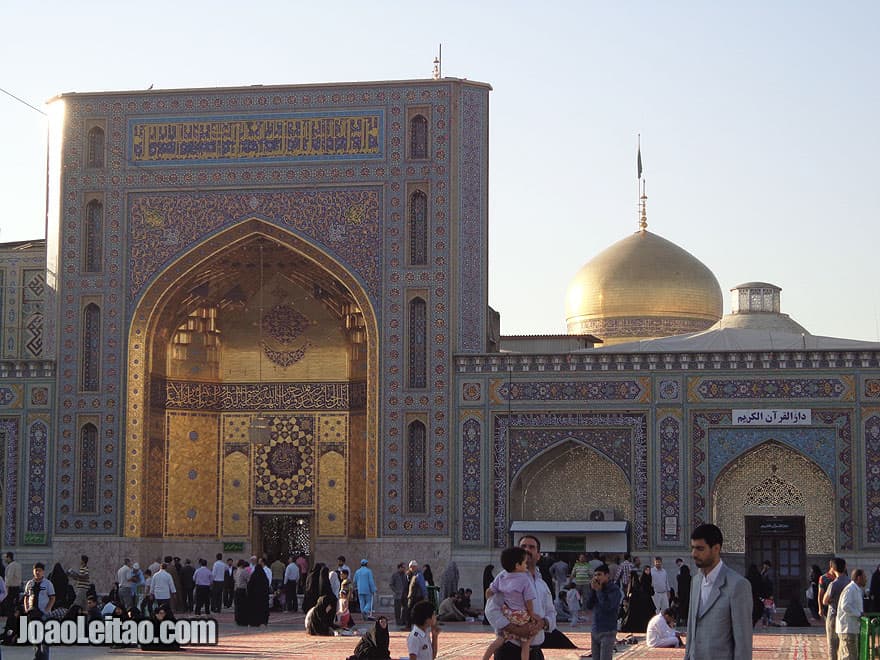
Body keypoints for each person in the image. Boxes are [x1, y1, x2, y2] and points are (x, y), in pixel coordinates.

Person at [683, 523, 752, 660]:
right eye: (693, 548)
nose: (694, 554)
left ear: (716, 548)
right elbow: (691, 630)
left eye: (700, 549)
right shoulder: (696, 581)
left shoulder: (737, 585)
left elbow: (743, 642)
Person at [485, 535, 555, 660]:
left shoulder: (542, 584)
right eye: (523, 546)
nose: (527, 549)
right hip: (509, 650)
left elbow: (551, 612)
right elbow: (491, 610)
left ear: (538, 555)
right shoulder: (506, 578)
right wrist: (516, 630)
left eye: (531, 547)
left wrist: (541, 623)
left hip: (535, 652)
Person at [483, 546, 538, 660]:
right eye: (524, 562)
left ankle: (485, 658)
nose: (526, 565)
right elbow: (528, 601)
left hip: (508, 614)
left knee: (499, 640)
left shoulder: (502, 576)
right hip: (521, 615)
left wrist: (490, 601)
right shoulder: (524, 579)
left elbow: (490, 591)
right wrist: (532, 615)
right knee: (526, 644)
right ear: (517, 565)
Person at [585, 564, 623, 660]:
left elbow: (608, 607)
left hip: (608, 630)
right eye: (595, 575)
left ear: (607, 575)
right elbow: (588, 605)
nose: (597, 577)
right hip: (595, 630)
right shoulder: (596, 588)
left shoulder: (614, 589)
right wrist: (593, 591)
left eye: (599, 575)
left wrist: (599, 591)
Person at [24, 562, 56, 660]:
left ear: (43, 572)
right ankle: (37, 657)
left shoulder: (48, 583)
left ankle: (45, 658)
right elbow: (26, 596)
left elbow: (52, 597)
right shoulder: (30, 583)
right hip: (32, 613)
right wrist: (26, 608)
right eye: (36, 570)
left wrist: (47, 609)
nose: (37, 572)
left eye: (40, 570)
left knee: (44, 639)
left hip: (43, 614)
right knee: (35, 638)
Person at [823, 557, 850, 660]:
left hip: (834, 616)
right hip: (846, 617)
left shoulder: (834, 584)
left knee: (832, 644)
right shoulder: (850, 582)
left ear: (833, 569)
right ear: (845, 567)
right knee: (844, 644)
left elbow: (824, 601)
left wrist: (832, 601)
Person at [837, 568, 867, 660]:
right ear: (858, 578)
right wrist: (859, 614)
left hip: (852, 628)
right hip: (847, 629)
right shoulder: (850, 589)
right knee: (849, 656)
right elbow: (845, 606)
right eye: (864, 577)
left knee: (850, 655)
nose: (866, 579)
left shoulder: (856, 589)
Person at [246, 559, 270, 626]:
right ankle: (263, 621)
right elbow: (267, 586)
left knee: (255, 609)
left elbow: (249, 586)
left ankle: (254, 621)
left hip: (254, 598)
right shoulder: (264, 577)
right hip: (263, 598)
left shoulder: (254, 576)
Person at [233, 559, 249, 626]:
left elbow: (234, 579)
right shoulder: (244, 571)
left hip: (236, 590)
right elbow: (248, 579)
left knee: (237, 606)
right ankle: (242, 620)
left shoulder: (236, 571)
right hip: (242, 590)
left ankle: (237, 619)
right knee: (243, 606)